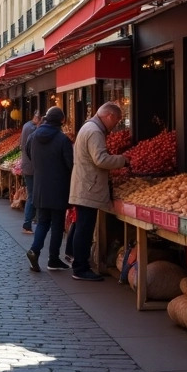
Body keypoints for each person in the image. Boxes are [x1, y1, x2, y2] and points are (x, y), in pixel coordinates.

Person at [68, 102, 129, 282]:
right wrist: (122, 160)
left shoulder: (88, 127)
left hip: (84, 185)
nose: (116, 125)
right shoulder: (95, 131)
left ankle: (75, 260)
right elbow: (101, 159)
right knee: (85, 228)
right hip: (89, 187)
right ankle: (80, 268)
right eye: (117, 120)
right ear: (109, 116)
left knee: (82, 226)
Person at [25, 107, 74, 272]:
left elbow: (28, 153)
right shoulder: (62, 139)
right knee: (57, 225)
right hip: (59, 188)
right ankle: (53, 259)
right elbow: (70, 164)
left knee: (42, 222)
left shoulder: (33, 137)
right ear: (61, 121)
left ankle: (34, 250)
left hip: (40, 186)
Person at [19, 109, 42, 234]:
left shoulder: (26, 126)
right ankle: (27, 223)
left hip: (27, 166)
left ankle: (32, 220)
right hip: (32, 167)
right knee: (32, 195)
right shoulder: (33, 130)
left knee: (32, 194)